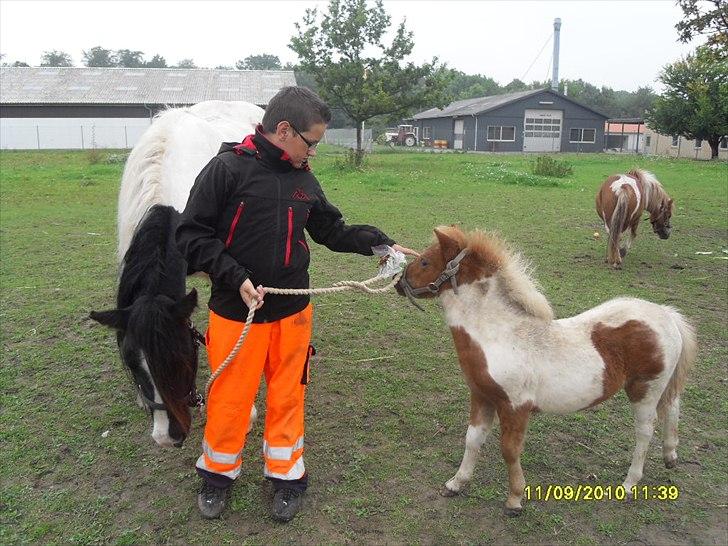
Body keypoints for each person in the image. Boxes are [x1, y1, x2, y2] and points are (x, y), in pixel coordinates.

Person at [175, 86, 417, 522]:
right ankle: (217, 476)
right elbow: (191, 237)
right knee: (230, 397)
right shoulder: (225, 171)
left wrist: (378, 243)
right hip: (236, 312)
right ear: (283, 131)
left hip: (293, 312)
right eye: (313, 142)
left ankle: (286, 477)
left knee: (289, 395)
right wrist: (235, 277)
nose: (315, 152)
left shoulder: (304, 179)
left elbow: (330, 229)